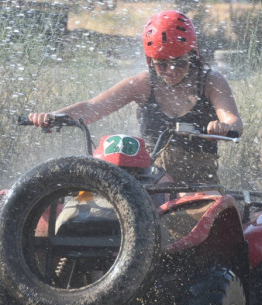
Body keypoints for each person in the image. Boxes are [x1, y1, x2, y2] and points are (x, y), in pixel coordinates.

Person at [29, 10, 243, 184]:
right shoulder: (142, 84)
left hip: (198, 179)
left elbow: (234, 122)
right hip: (149, 176)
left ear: (193, 55)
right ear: (150, 62)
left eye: (179, 62)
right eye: (161, 63)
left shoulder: (210, 81)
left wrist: (223, 127)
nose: (170, 69)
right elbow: (92, 108)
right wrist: (53, 116)